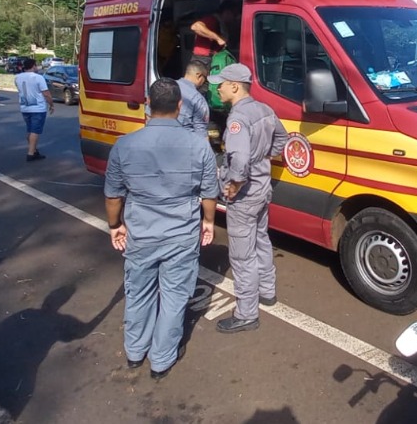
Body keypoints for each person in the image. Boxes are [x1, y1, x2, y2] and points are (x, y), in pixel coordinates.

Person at [105, 78, 219, 379]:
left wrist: (115, 225)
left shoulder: (124, 145)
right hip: (181, 234)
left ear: (147, 104)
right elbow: (209, 193)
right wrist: (208, 221)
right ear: (180, 106)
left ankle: (134, 351)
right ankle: (161, 360)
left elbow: (113, 195)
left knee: (138, 292)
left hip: (141, 232)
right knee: (174, 296)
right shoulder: (199, 145)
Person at [208, 64, 288, 333]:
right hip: (262, 188)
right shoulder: (264, 109)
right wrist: (264, 157)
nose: (217, 88)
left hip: (245, 195)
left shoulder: (238, 118)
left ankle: (246, 314)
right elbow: (282, 138)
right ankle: (267, 291)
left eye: (221, 84)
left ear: (234, 86)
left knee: (242, 256)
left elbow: (240, 159)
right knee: (261, 239)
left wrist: (236, 182)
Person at [15, 57, 53, 161]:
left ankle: (34, 150)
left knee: (30, 129)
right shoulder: (38, 78)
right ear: (33, 66)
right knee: (35, 131)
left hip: (25, 107)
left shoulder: (17, 77)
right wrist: (51, 104)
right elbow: (46, 93)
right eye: (36, 65)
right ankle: (31, 153)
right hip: (38, 108)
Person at [177, 58, 211, 137]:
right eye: (205, 79)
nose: (204, 83)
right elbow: (201, 134)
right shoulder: (198, 99)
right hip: (184, 141)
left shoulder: (164, 88)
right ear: (199, 76)